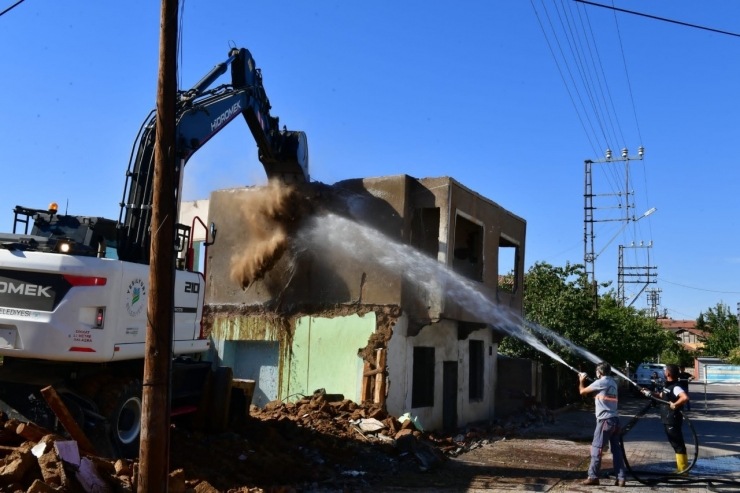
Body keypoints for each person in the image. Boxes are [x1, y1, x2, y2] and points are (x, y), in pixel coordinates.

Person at [579, 362, 627, 487]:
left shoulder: (601, 382)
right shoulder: (613, 383)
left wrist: (581, 380)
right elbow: (599, 394)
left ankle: (593, 476)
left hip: (605, 421)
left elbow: (582, 392)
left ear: (599, 372)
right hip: (615, 420)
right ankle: (621, 478)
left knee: (596, 449)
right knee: (616, 451)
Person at [642, 364, 690, 474]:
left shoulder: (676, 387)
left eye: (665, 371)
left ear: (668, 373)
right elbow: (662, 395)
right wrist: (649, 393)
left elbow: (685, 397)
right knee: (675, 443)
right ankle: (682, 469)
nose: (664, 372)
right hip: (667, 419)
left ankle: (683, 470)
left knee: (677, 443)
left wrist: (676, 404)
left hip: (672, 419)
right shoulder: (668, 386)